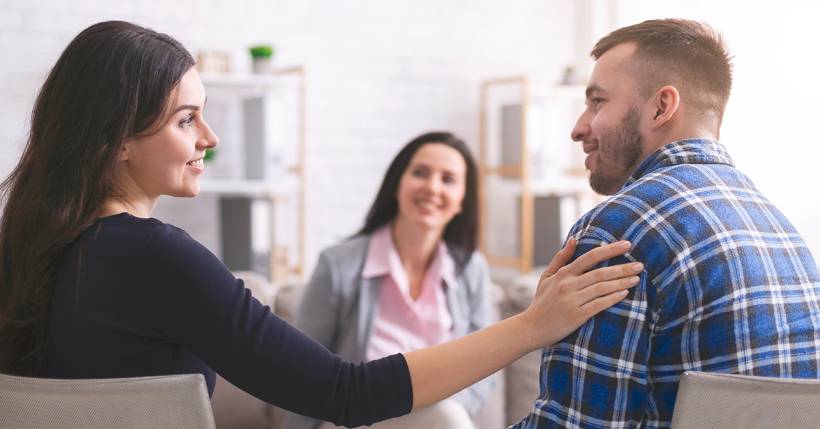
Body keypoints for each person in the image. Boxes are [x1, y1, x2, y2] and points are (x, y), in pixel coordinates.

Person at [0, 21, 644, 428]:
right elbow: (346, 393)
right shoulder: (158, 259)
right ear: (117, 139)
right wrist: (532, 327)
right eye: (186, 120)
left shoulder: (27, 248)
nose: (211, 137)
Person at [511, 18, 820, 428]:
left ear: (661, 107)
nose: (578, 127)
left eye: (598, 101)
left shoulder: (616, 230)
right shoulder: (783, 233)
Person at [285, 132, 494, 429]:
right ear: (397, 183)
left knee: (448, 416)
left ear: (462, 200)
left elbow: (484, 366)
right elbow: (302, 370)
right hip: (354, 419)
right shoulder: (337, 265)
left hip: (437, 419)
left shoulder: (472, 269)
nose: (433, 188)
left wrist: (452, 410)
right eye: (420, 173)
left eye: (448, 179)